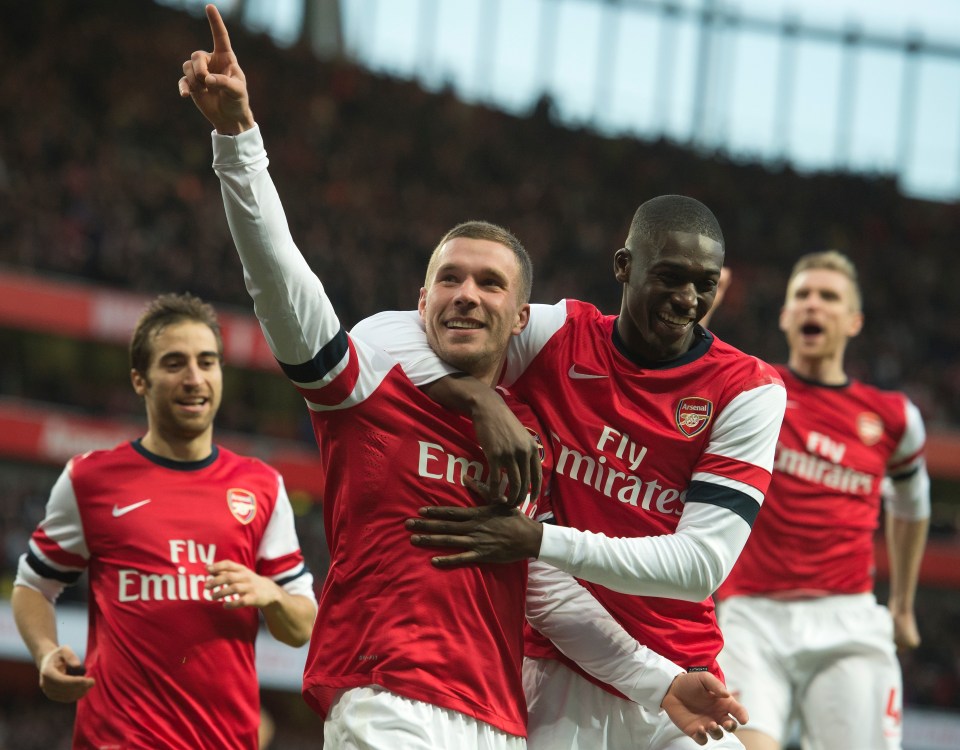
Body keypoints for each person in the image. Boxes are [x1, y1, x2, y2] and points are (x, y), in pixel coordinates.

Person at [178, 6, 750, 748]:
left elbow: (548, 595)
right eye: (449, 278)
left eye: (489, 284)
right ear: (420, 301)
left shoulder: (531, 438)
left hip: (500, 722)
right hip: (388, 698)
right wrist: (238, 142)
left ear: (522, 318)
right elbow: (282, 282)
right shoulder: (364, 385)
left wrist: (657, 680)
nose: (467, 293)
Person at [356, 194, 787, 750]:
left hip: (680, 683)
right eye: (669, 277)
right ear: (623, 267)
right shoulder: (560, 339)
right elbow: (378, 335)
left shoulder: (747, 390)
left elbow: (699, 566)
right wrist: (479, 401)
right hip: (557, 675)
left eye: (704, 284)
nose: (687, 299)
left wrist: (538, 539)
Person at [11, 292, 319, 749]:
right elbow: (33, 585)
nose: (195, 378)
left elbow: (303, 627)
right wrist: (45, 653)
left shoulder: (262, 486)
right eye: (174, 364)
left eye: (207, 362)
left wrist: (270, 593)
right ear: (140, 379)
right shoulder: (91, 479)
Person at [711, 252, 930, 750]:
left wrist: (902, 606)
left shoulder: (893, 418)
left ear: (853, 321)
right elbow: (674, 385)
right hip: (752, 617)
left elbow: (912, 505)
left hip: (847, 622)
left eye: (829, 296)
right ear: (786, 316)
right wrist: (698, 312)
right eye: (802, 295)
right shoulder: (753, 389)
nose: (814, 304)